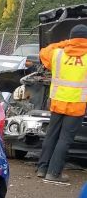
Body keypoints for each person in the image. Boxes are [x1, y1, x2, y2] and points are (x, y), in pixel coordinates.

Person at [36, 24, 87, 185]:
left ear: (71, 37)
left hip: (57, 102)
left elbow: (44, 52)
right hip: (76, 105)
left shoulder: (58, 54)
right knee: (65, 139)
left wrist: (65, 43)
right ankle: (54, 173)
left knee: (51, 135)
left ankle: (42, 168)